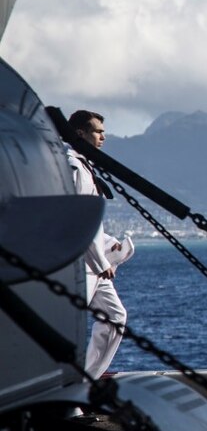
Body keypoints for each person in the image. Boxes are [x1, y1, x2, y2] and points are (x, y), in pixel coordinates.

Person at [66, 109, 128, 380]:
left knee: (115, 318)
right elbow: (77, 218)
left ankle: (85, 380)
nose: (103, 136)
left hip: (92, 261)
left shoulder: (85, 165)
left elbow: (90, 222)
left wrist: (108, 244)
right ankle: (68, 393)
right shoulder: (74, 166)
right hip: (81, 265)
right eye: (97, 131)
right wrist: (101, 263)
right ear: (80, 133)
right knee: (70, 329)